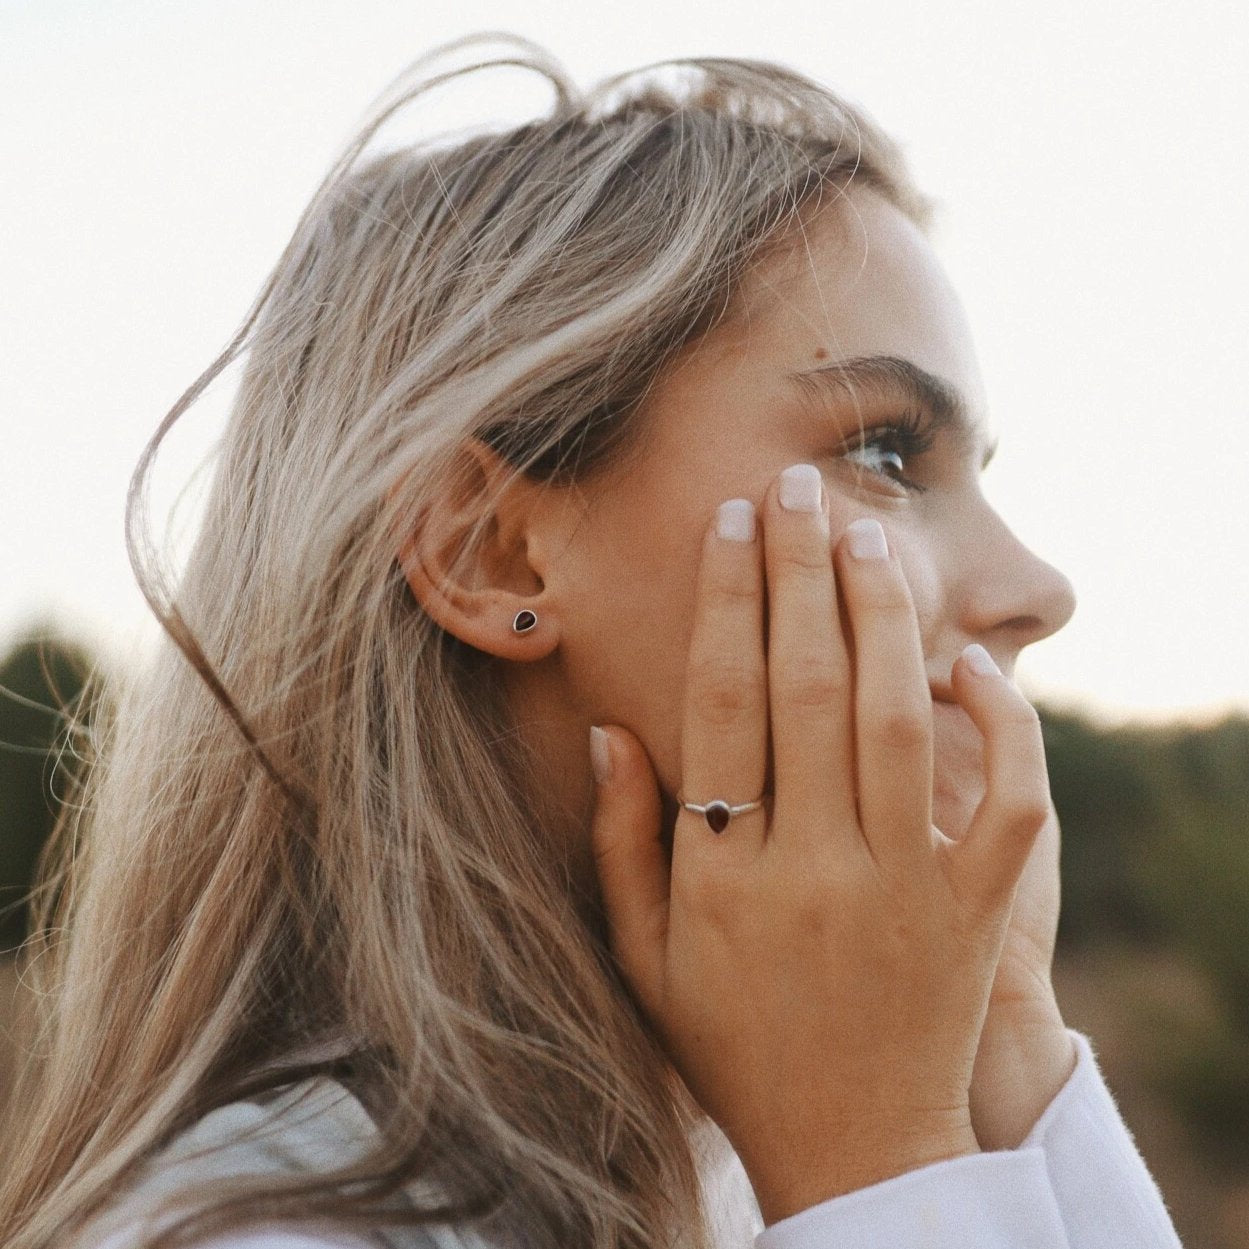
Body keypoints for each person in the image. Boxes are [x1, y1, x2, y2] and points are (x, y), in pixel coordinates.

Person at [0, 31, 1182, 1249]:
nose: (1036, 588)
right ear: (491, 554)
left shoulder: (739, 1169)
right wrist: (875, 1163)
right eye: (885, 452)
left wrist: (1009, 1048)